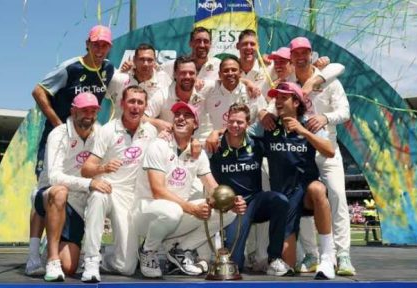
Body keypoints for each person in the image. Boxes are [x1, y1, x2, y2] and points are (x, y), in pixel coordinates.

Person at [26, 25, 115, 276]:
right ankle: (35, 255)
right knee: (51, 190)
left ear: (110, 47)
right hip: (62, 135)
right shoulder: (71, 67)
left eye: (105, 45)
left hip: (83, 136)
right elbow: (38, 91)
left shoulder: (109, 69)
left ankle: (71, 244)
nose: (99, 49)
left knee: (70, 266)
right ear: (87, 43)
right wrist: (58, 124)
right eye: (95, 44)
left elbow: (128, 90)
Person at [132, 102, 246, 278]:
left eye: (187, 115)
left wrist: (232, 201)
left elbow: (212, 187)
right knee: (172, 211)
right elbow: (158, 191)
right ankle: (148, 250)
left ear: (195, 125)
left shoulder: (198, 152)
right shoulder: (158, 145)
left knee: (228, 212)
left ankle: (181, 250)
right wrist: (191, 208)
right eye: (177, 114)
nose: (180, 118)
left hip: (177, 213)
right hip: (147, 213)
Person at [253, 82, 337, 279]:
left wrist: (303, 131)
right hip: (284, 198)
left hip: (305, 191)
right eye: (277, 98)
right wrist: (216, 134)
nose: (278, 101)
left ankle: (327, 256)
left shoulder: (309, 123)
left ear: (297, 102)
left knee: (318, 189)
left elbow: (330, 151)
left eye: (284, 97)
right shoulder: (268, 124)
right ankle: (300, 255)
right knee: (285, 268)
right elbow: (239, 134)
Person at [288, 37, 354, 276]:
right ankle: (311, 254)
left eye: (305, 52)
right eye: (297, 53)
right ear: (292, 57)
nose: (301, 57)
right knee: (302, 199)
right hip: (300, 152)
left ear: (312, 55)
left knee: (337, 195)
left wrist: (326, 118)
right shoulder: (289, 82)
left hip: (327, 150)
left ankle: (343, 254)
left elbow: (345, 111)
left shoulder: (329, 79)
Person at [79, 86, 158, 282]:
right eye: (131, 101)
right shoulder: (107, 130)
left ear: (145, 106)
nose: (135, 106)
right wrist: (103, 168)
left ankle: (106, 258)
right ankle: (91, 259)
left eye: (140, 102)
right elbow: (86, 168)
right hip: (108, 187)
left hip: (131, 196)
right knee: (97, 196)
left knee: (127, 267)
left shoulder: (151, 131)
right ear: (122, 104)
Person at [31, 92, 110, 282]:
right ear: (73, 111)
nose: (88, 115)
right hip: (49, 194)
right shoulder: (58, 134)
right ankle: (49, 260)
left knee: (70, 267)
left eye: (93, 110)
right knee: (60, 191)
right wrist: (89, 184)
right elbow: (54, 177)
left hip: (76, 203)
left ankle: (51, 242)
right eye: (84, 110)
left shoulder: (100, 132)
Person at [209, 103, 290, 276]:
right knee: (234, 263)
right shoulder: (215, 146)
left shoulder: (257, 144)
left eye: (240, 122)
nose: (235, 126)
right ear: (226, 121)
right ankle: (237, 256)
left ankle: (274, 258)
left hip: (255, 201)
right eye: (231, 121)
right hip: (232, 207)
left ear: (248, 124)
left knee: (280, 201)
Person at [109, 43, 168, 120]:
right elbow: (105, 95)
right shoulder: (120, 78)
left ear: (155, 61)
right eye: (141, 59)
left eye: (149, 60)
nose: (145, 64)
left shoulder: (163, 79)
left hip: (150, 130)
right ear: (134, 60)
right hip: (118, 129)